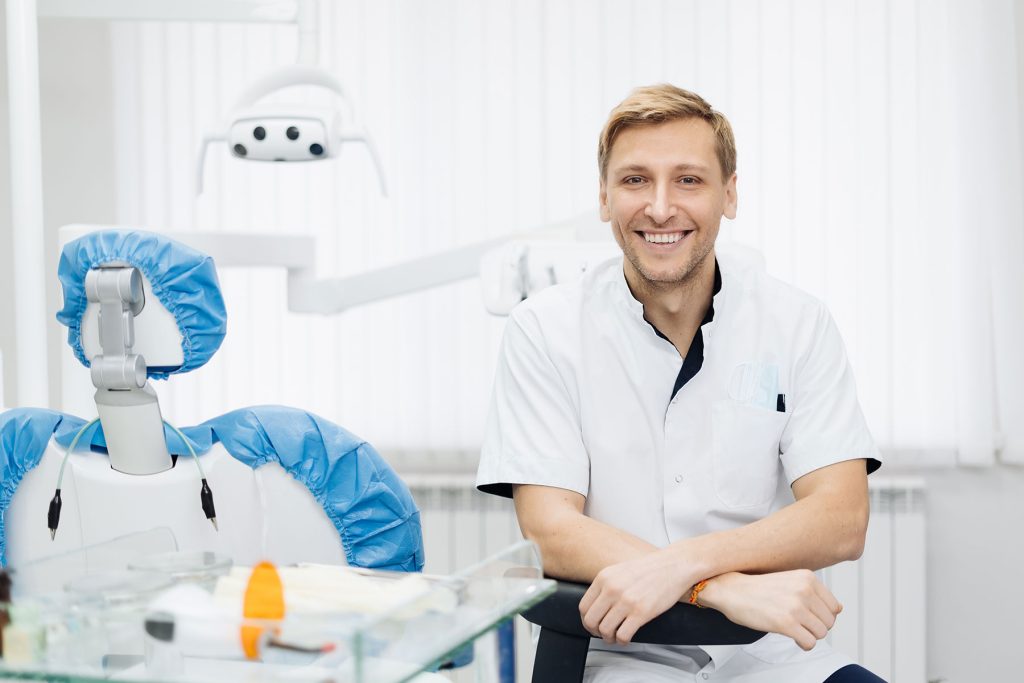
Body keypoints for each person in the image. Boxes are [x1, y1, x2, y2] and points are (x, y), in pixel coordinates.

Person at [476, 84, 885, 682]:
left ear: (730, 194)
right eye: (635, 180)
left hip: (767, 653)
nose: (661, 207)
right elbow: (551, 532)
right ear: (604, 197)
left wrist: (687, 566)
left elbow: (842, 517)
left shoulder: (797, 323)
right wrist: (716, 588)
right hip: (623, 653)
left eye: (688, 180)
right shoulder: (545, 330)